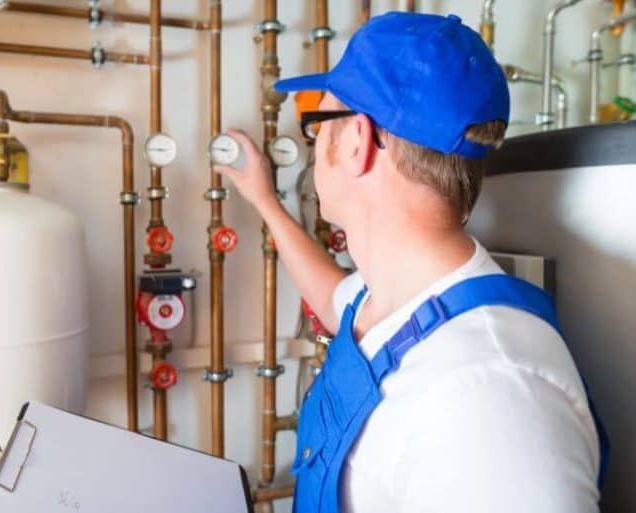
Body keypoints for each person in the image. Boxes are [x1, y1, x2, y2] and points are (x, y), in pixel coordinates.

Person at [214, 11, 606, 513]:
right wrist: (264, 199)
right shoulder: (400, 298)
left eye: (317, 126)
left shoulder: (488, 399)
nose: (315, 149)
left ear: (357, 141)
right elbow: (338, 302)